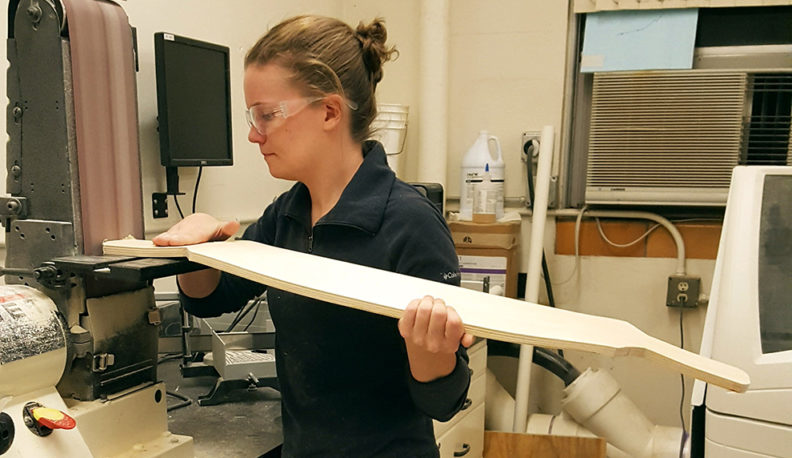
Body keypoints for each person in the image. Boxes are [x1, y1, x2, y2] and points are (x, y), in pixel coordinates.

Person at [154, 15, 473, 457]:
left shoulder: (409, 224)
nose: (253, 134)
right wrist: (194, 251)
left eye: (267, 115)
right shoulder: (288, 214)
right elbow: (211, 299)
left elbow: (444, 401)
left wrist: (430, 355)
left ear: (329, 111)